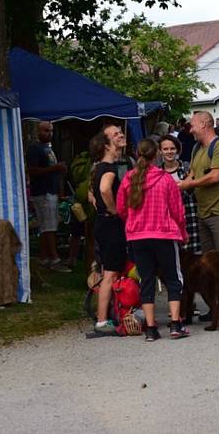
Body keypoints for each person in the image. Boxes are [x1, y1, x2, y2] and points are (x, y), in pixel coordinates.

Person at [117, 139, 189, 341]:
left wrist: (133, 222)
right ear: (156, 154)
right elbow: (177, 212)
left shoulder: (129, 179)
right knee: (173, 278)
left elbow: (121, 208)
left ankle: (150, 328)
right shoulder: (165, 180)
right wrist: (182, 233)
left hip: (138, 236)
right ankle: (176, 324)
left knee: (146, 280)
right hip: (163, 234)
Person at [177, 111, 219, 325]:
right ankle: (216, 305)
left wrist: (190, 185)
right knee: (208, 262)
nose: (190, 129)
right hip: (203, 211)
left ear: (205, 124)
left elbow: (215, 176)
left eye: (193, 125)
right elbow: (192, 175)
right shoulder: (198, 148)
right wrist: (179, 186)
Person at [88, 131, 128, 334]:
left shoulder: (96, 168)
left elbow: (91, 195)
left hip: (101, 223)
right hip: (111, 223)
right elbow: (104, 190)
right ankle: (102, 320)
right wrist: (114, 210)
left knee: (107, 271)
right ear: (106, 146)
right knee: (111, 273)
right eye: (113, 140)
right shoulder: (109, 169)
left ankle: (106, 315)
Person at [27, 121, 70, 272]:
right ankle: (55, 259)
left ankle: (44, 257)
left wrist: (59, 171)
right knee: (49, 227)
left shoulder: (49, 148)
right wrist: (54, 168)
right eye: (46, 131)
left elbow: (52, 171)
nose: (49, 133)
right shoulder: (34, 149)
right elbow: (32, 171)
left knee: (48, 226)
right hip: (42, 192)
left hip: (51, 191)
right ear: (38, 132)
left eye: (51, 131)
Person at [159, 135, 202, 257]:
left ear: (177, 150)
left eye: (172, 148)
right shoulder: (156, 173)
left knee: (194, 261)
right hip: (168, 225)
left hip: (190, 221)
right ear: (160, 151)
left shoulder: (188, 168)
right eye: (165, 149)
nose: (169, 152)